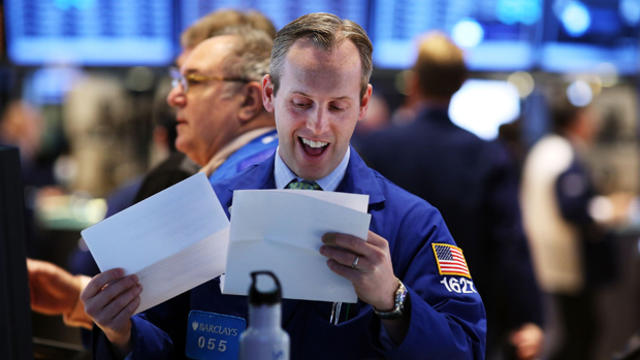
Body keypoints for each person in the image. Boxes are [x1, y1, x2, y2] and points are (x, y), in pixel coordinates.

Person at [82, 13, 486, 359]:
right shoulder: (207, 207)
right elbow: (162, 342)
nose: (317, 126)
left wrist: (394, 300)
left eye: (337, 106)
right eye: (301, 103)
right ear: (269, 95)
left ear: (363, 104)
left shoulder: (411, 223)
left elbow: (466, 348)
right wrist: (121, 333)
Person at [27, 11, 278, 332]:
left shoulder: (212, 186)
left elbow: (162, 327)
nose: (174, 97)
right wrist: (78, 297)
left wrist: (79, 299)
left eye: (194, 81)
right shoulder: (241, 170)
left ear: (249, 98)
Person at [356, 32, 543, 360]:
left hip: (376, 323)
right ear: (461, 83)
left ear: (413, 82)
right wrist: (526, 317)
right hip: (464, 318)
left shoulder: (373, 148)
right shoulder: (488, 156)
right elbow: (509, 244)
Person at [521, 98, 630, 360]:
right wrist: (608, 210)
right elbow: (572, 209)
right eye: (589, 117)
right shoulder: (563, 154)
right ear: (578, 121)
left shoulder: (544, 149)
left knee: (574, 331)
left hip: (544, 256)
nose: (594, 124)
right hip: (565, 260)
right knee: (580, 333)